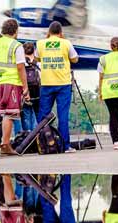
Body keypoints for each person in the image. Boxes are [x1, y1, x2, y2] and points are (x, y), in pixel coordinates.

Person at [36, 21, 79, 153]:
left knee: (43, 116)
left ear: (48, 32)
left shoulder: (41, 43)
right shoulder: (66, 43)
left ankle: (42, 145)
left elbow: (37, 58)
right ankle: (65, 146)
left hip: (47, 83)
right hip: (63, 84)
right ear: (61, 33)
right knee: (63, 115)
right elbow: (75, 59)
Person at [0, 19, 30, 156]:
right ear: (15, 31)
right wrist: (25, 87)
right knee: (10, 114)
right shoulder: (16, 45)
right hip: (12, 82)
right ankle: (6, 144)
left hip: (0, 82)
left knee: (4, 114)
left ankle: (4, 142)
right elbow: (20, 67)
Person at [23, 42, 40, 131]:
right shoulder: (38, 62)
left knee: (26, 115)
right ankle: (40, 137)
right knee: (39, 116)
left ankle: (27, 138)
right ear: (34, 50)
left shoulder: (21, 62)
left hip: (25, 94)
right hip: (38, 94)